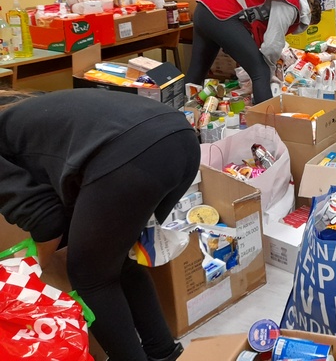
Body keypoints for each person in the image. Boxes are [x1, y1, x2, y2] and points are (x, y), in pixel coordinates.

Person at [0, 88, 201, 361]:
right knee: (115, 261)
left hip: (131, 154)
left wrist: (37, 265)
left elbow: (46, 219)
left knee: (90, 276)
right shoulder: (16, 109)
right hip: (177, 136)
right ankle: (163, 352)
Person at [186, 0, 322, 103]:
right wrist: (270, 74)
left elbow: (257, 33)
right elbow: (271, 47)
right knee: (261, 71)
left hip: (204, 9)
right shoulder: (291, 4)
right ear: (307, 15)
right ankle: (266, 121)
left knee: (197, 72)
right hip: (221, 11)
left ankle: (185, 114)